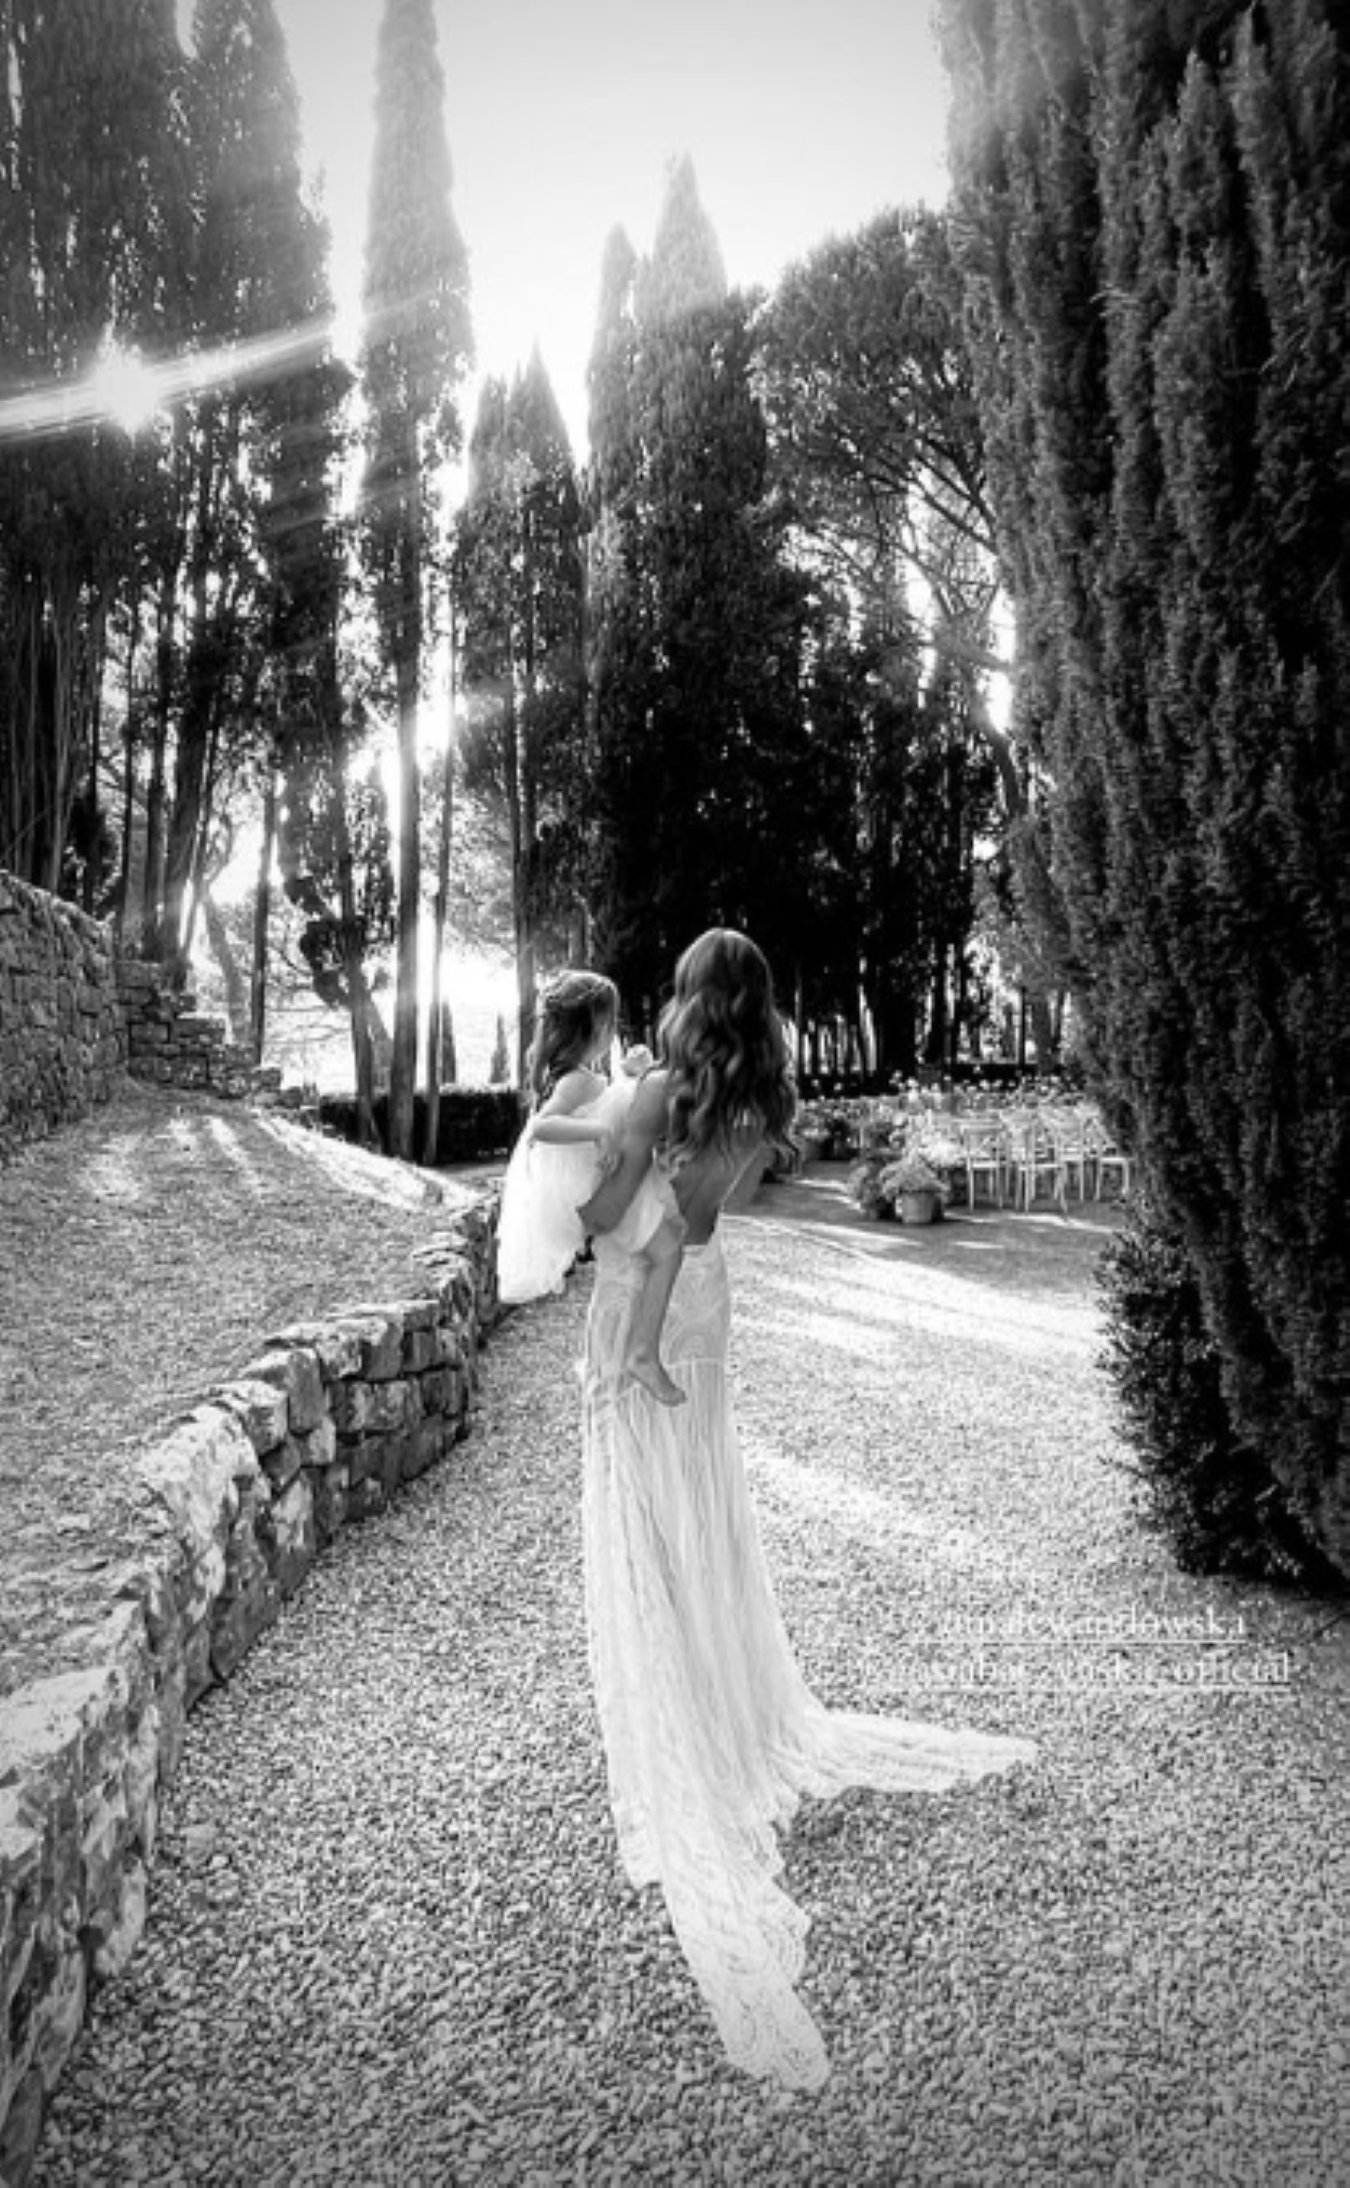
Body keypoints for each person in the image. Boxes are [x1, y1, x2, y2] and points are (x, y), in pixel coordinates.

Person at [576, 928, 1037, 2092]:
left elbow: (616, 1224)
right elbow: (704, 1221)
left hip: (643, 1317)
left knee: (650, 1529)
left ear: (686, 1000)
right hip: (710, 1314)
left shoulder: (646, 1093)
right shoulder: (751, 1106)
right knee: (708, 1517)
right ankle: (732, 1717)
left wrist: (586, 1178)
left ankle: (689, 1728)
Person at [494, 969, 688, 1405]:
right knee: (668, 1249)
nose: (614, 1030)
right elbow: (541, 1127)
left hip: (595, 1193)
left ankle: (621, 1352)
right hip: (594, 1196)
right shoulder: (577, 1080)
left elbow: (615, 1099)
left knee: (659, 1246)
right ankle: (643, 1355)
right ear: (592, 1028)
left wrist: (632, 1073)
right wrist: (599, 1132)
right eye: (609, 1022)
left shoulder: (583, 1076)